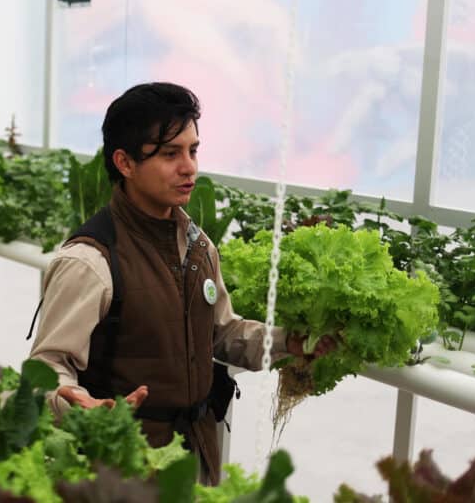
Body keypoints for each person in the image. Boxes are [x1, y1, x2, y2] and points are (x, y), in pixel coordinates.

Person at [28, 82, 334, 485]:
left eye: (193, 150)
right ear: (125, 162)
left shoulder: (197, 246)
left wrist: (287, 343)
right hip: (124, 467)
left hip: (197, 455)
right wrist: (74, 404)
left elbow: (222, 334)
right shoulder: (90, 261)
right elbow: (48, 365)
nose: (189, 166)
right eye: (170, 154)